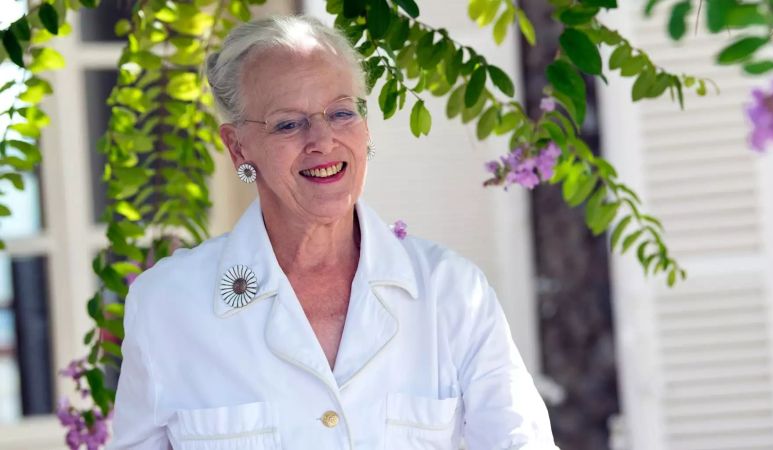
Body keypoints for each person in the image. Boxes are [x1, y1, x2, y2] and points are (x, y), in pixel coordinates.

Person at [109, 14, 556, 449]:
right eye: (288, 123)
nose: (322, 140)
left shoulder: (451, 293)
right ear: (238, 146)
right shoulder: (168, 306)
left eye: (342, 113)